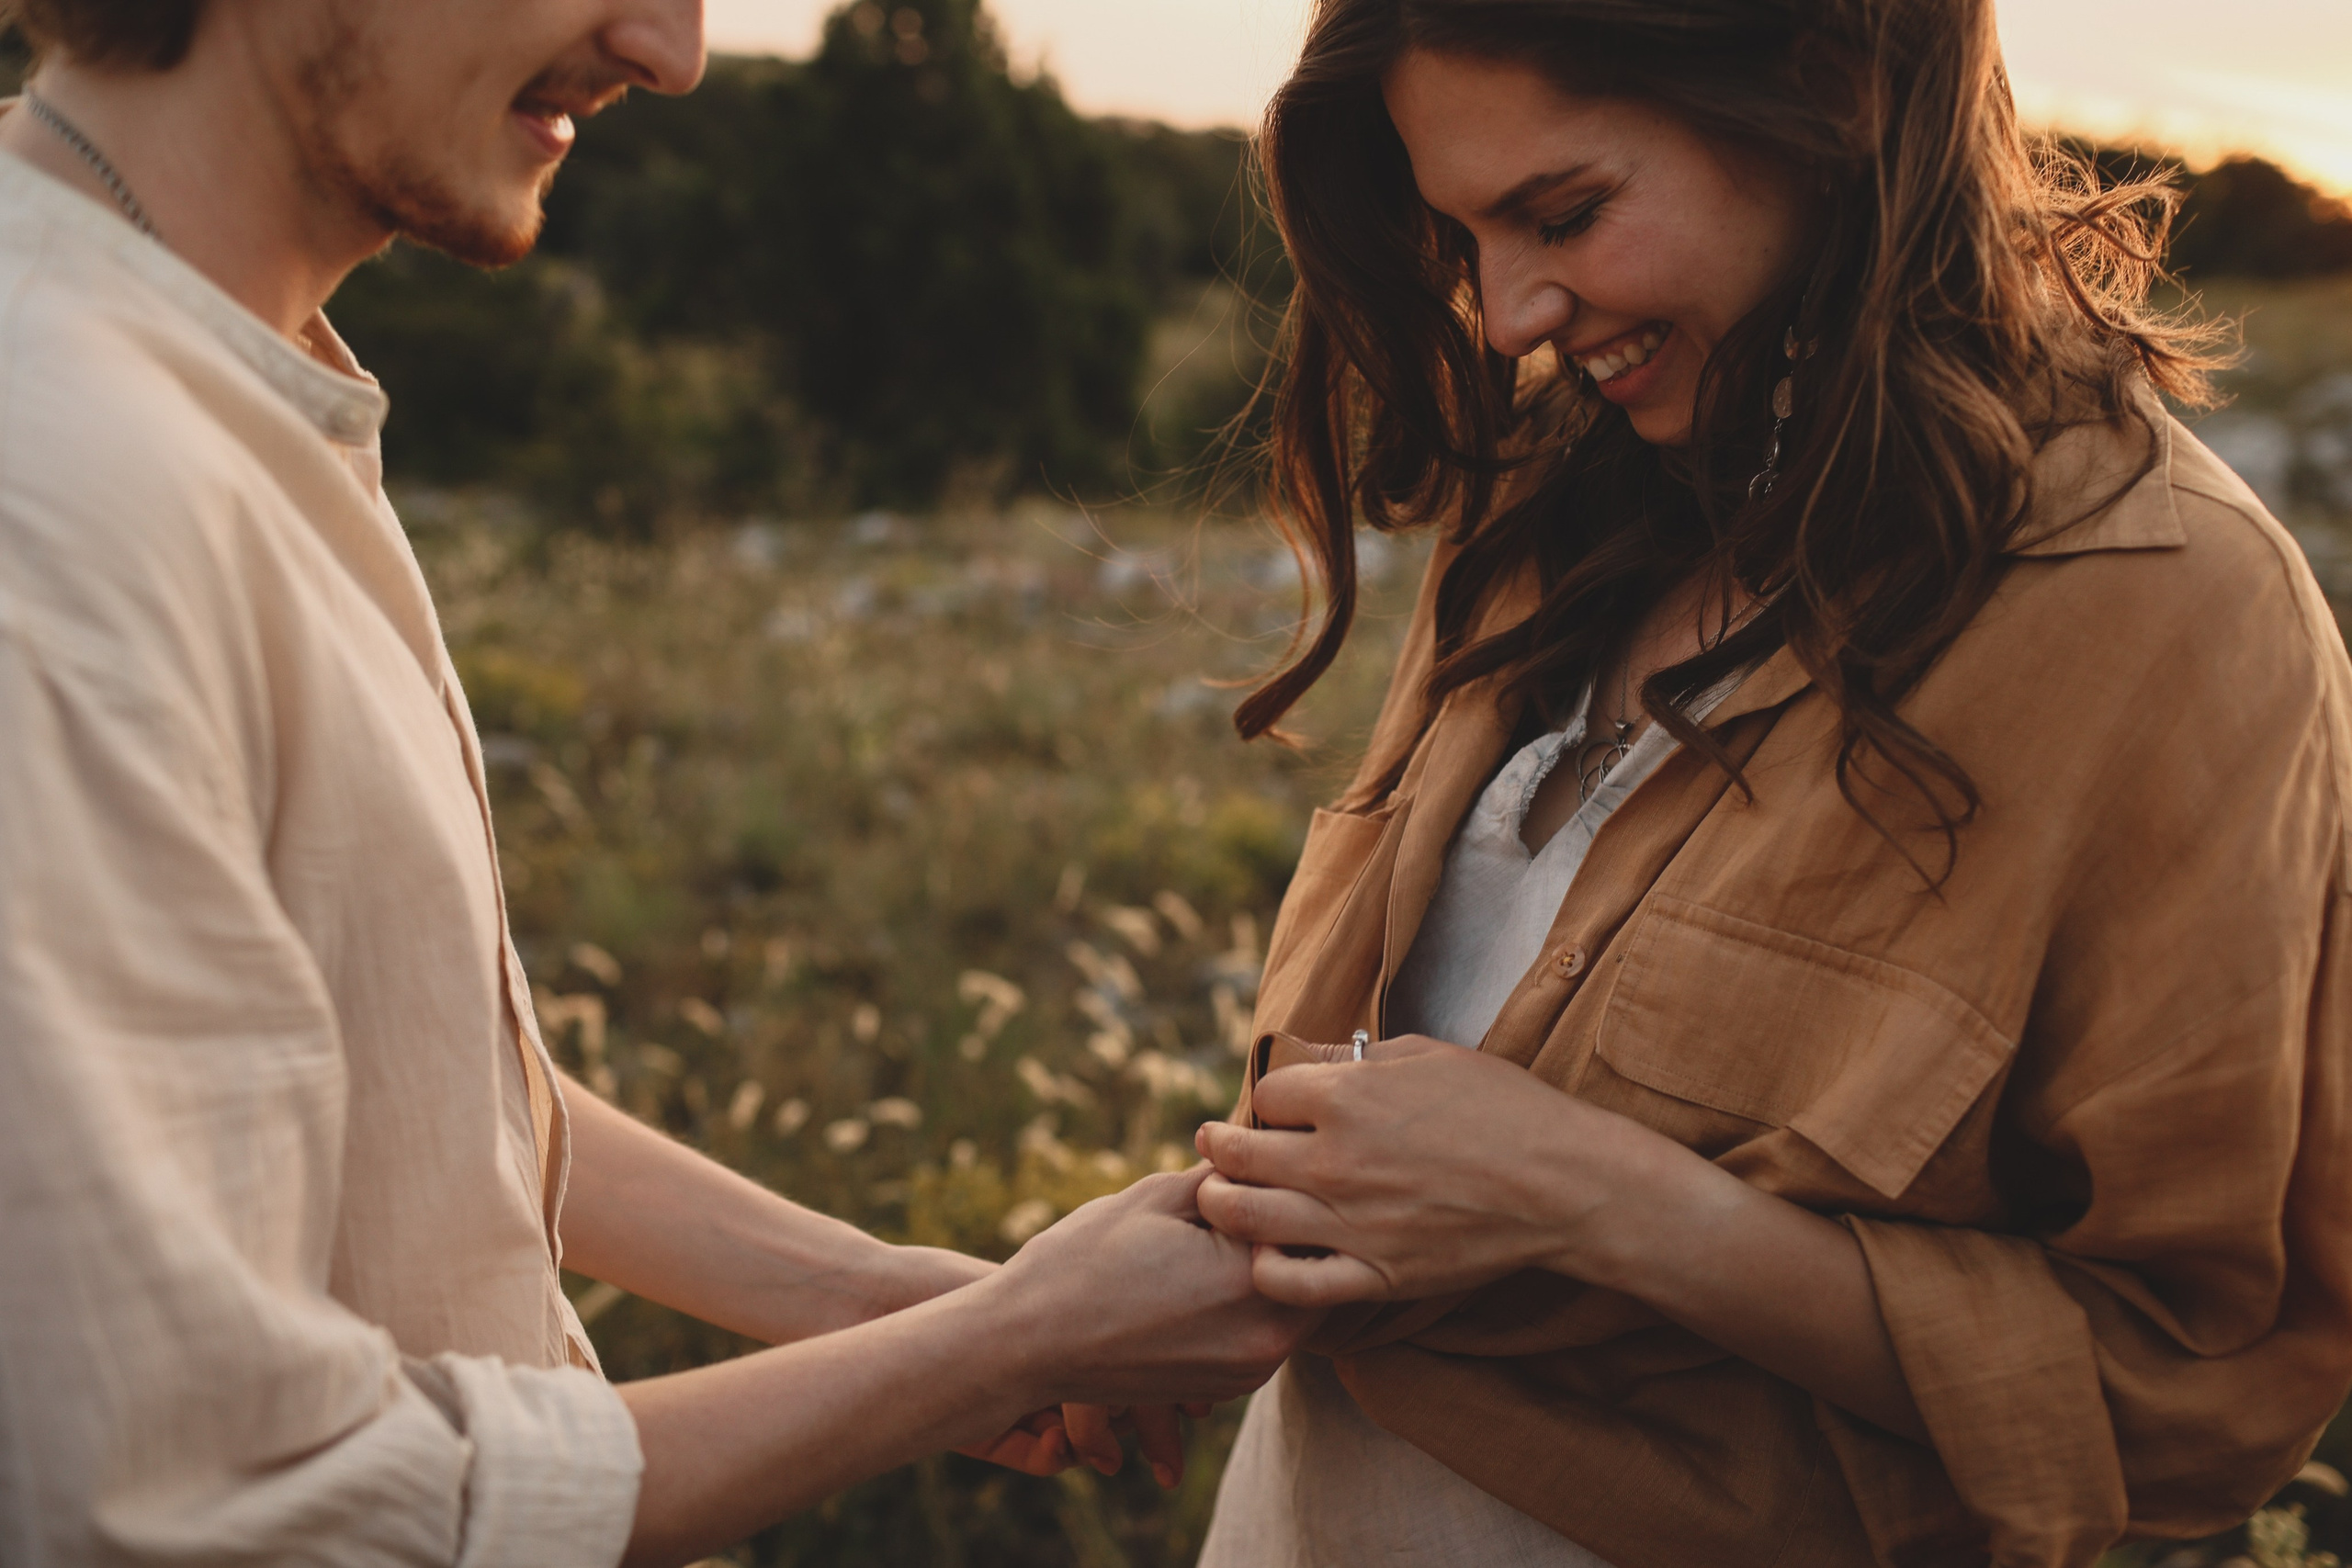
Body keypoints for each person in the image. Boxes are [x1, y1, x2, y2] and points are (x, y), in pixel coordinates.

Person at [0, 3, 1308, 1565]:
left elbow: (401, 1067)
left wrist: (874, 1293)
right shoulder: (65, 498)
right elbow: (218, 1510)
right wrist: (993, 1348)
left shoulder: (225, 382)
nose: (670, 51)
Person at [1184, 2, 2352, 1565]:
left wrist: (1621, 1209)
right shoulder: (1556, 506)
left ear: (1836, 91)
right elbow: (1417, 1098)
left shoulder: (2172, 616)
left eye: (1565, 212)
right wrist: (1146, 1276)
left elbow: (2190, 1387)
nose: (1510, 315)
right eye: (1464, 234)